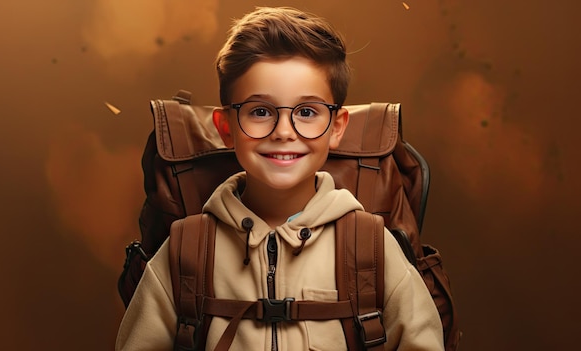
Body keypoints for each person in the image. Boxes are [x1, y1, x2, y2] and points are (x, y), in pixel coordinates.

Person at [116, 6, 444, 350]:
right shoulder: (185, 252)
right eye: (260, 111)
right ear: (226, 128)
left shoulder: (372, 248)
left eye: (306, 112)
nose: (284, 132)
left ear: (336, 128)